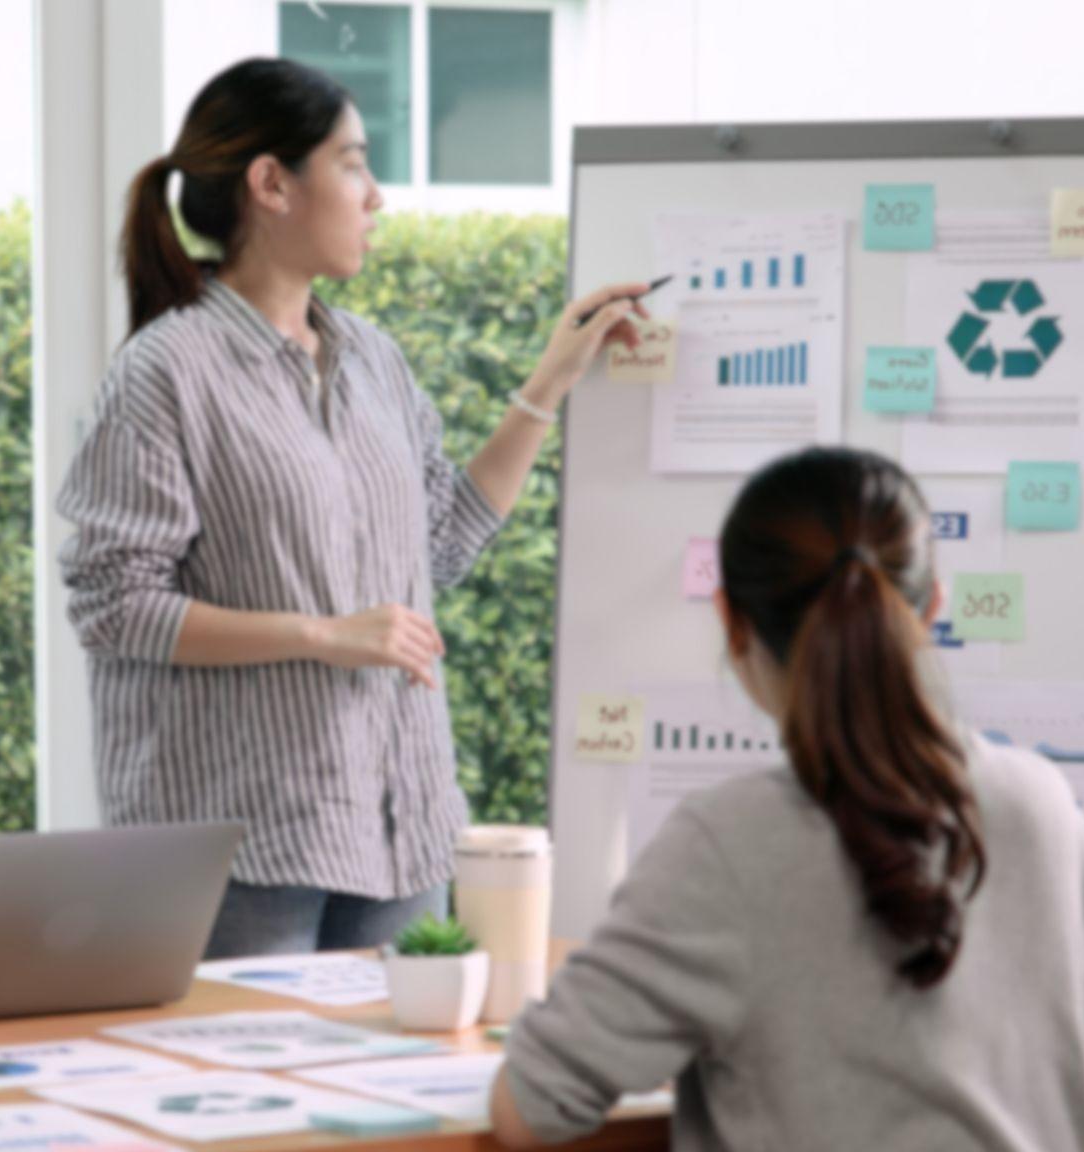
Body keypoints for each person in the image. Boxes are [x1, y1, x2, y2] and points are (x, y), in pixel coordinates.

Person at [56, 57, 646, 959]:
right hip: (245, 847)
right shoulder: (165, 373)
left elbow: (439, 546)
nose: (377, 196)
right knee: (259, 1100)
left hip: (399, 831)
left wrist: (551, 380)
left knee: (395, 1100)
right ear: (270, 184)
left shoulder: (371, 357)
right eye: (354, 162)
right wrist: (322, 634)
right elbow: (113, 605)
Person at [492, 446, 1084, 1151]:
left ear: (730, 621)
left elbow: (529, 1109)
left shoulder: (729, 843)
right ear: (932, 606)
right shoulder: (1044, 803)